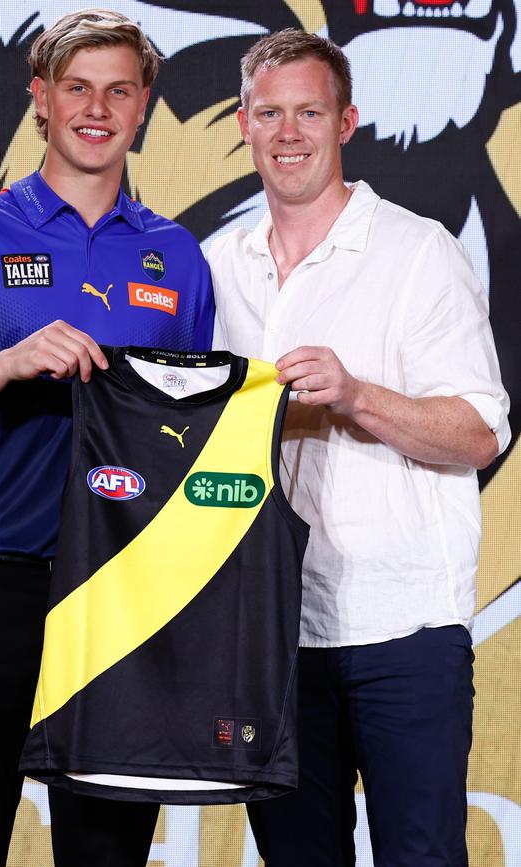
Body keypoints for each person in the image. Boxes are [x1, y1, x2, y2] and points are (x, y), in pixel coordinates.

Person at [0, 9, 213, 867]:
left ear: (143, 109)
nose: (96, 109)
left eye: (119, 91)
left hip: (120, 598)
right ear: (41, 100)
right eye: (76, 88)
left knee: (107, 855)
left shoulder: (180, 257)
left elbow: (193, 442)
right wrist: (6, 363)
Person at [208, 29, 510, 867]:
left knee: (421, 857)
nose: (289, 131)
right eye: (270, 112)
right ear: (244, 122)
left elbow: (482, 430)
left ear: (347, 122)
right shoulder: (215, 267)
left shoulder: (419, 254)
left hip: (403, 625)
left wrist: (356, 395)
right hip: (269, 632)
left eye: (310, 111)